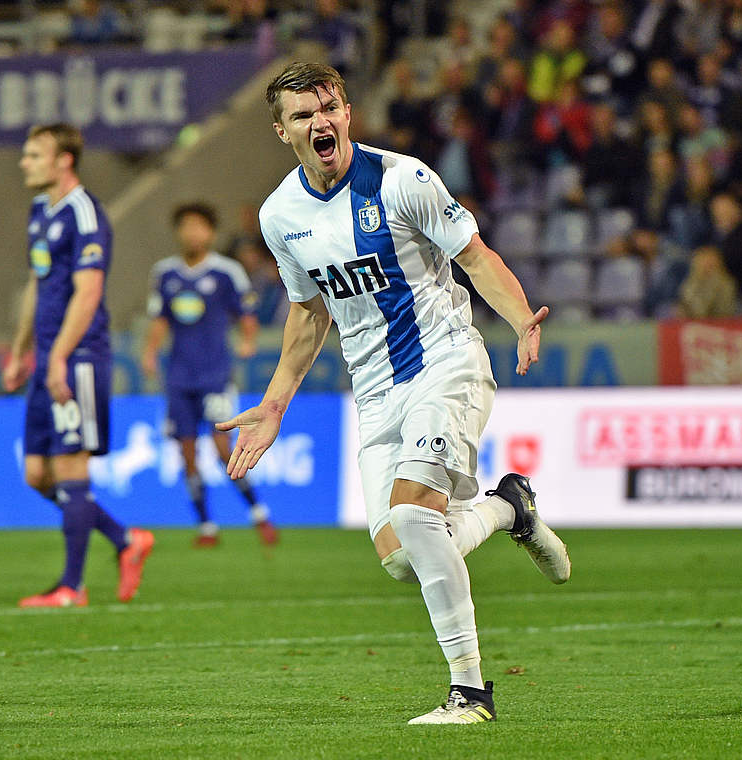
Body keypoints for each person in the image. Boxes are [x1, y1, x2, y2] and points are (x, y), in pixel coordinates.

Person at [217, 62, 571, 725]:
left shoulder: (403, 180)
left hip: (446, 361)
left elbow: (474, 256)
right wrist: (274, 404)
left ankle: (470, 693)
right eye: (303, 114)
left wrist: (521, 316)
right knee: (405, 559)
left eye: (330, 107)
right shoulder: (280, 216)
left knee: (414, 514)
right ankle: (507, 509)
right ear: (281, 129)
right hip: (375, 394)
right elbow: (308, 314)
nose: (320, 121)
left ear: (347, 112)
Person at [3, 123, 153, 608]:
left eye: (33, 154)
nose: (24, 162)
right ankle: (125, 539)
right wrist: (21, 348)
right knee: (36, 475)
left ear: (63, 160)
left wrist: (61, 356)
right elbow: (37, 283)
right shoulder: (39, 211)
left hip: (79, 355)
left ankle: (72, 585)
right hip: (47, 354)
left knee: (70, 466)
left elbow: (88, 292)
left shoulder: (85, 213)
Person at [142, 202, 277, 547]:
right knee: (186, 452)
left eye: (199, 226)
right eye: (186, 226)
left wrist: (248, 341)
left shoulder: (225, 272)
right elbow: (159, 319)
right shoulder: (166, 273)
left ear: (211, 233)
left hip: (215, 374)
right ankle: (206, 525)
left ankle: (258, 512)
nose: (192, 233)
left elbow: (246, 314)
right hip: (179, 377)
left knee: (221, 449)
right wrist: (149, 351)